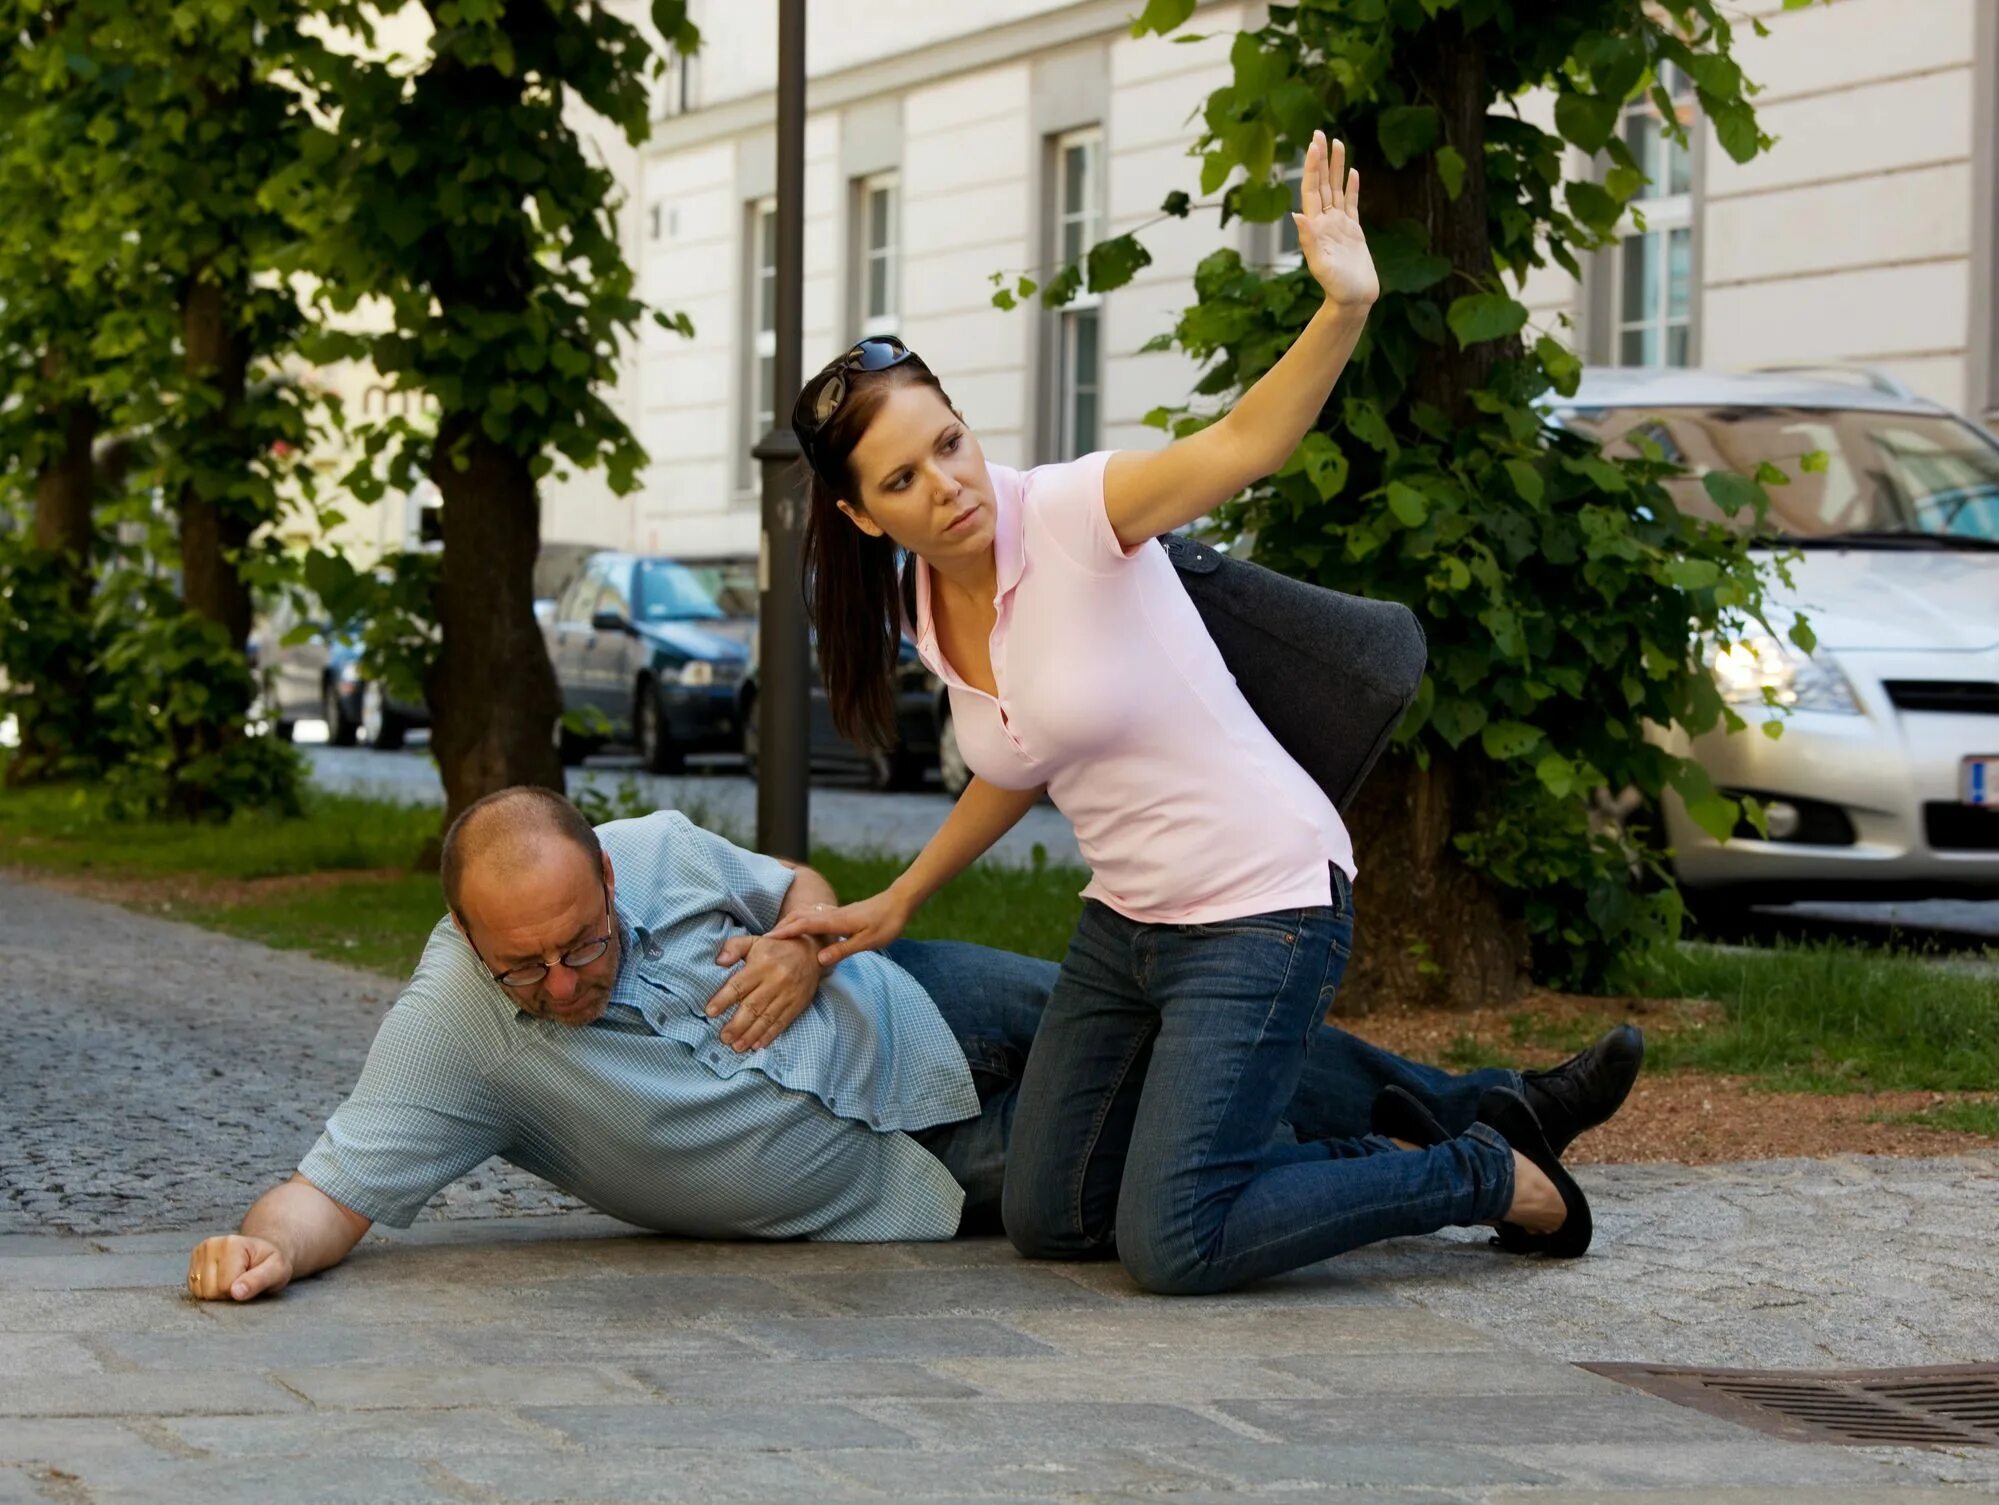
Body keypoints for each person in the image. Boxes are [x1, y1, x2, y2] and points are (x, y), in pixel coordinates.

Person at [767, 132, 1637, 1295]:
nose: (950, 485)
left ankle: (1483, 1168)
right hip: (1127, 922)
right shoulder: (926, 603)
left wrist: (1342, 305)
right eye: (903, 480)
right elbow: (1020, 757)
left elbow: (1245, 440)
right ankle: (1323, 1156)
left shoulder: (1080, 513)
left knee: (1175, 1242)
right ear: (862, 514)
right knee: (1050, 1212)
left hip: (1261, 902)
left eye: (949, 442)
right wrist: (906, 892)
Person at [186, 787, 1638, 1302]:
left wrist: (807, 945)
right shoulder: (456, 1029)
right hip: (920, 1166)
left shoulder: (647, 851)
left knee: (1210, 1030)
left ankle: (1493, 1104)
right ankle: (1459, 1163)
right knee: (1174, 1157)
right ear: (465, 940)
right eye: (529, 966)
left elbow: (802, 888)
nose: (563, 977)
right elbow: (327, 1190)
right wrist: (257, 1246)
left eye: (585, 942)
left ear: (606, 880)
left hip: (920, 1000)